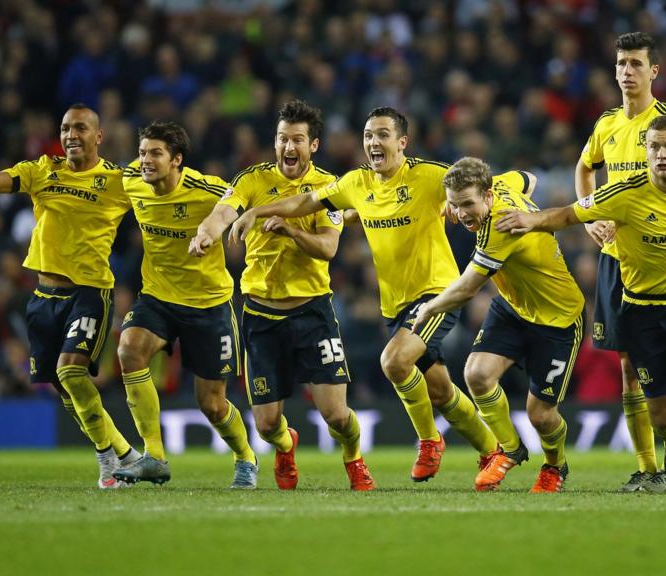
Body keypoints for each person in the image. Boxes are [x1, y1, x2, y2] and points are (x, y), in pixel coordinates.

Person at [229, 107, 497, 481]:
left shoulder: (431, 176)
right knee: (440, 391)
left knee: (394, 362)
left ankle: (429, 441)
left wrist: (489, 203)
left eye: (383, 134)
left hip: (437, 293)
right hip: (395, 303)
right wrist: (255, 213)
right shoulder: (356, 184)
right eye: (369, 134)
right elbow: (306, 202)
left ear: (402, 142)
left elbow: (485, 185)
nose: (373, 141)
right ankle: (491, 450)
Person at [496, 115, 666, 494]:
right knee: (663, 415)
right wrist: (530, 219)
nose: (661, 154)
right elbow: (570, 214)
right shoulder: (622, 192)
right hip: (643, 309)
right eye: (654, 147)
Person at [0, 104, 139, 488]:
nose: (71, 135)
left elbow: (164, 196)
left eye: (80, 128)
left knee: (70, 370)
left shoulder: (119, 180)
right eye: (65, 128)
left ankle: (112, 459)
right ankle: (124, 454)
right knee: (65, 389)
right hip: (44, 297)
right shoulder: (41, 170)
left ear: (99, 137)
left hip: (90, 291)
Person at [189, 100, 375, 491]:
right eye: (282, 139)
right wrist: (207, 232)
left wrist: (290, 229)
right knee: (267, 424)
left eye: (297, 141)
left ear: (314, 145)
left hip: (312, 312)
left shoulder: (329, 187)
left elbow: (328, 248)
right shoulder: (252, 180)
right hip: (260, 316)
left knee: (337, 415)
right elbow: (225, 211)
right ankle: (287, 446)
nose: (289, 148)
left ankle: (354, 458)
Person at [411, 158, 584, 492]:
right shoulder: (502, 184)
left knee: (541, 415)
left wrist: (428, 308)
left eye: (468, 204)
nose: (461, 214)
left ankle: (554, 466)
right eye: (455, 205)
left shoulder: (501, 227)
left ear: (488, 197)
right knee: (476, 374)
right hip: (514, 307)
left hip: (558, 319)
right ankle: (510, 448)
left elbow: (466, 289)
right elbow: (529, 177)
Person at [576, 31, 666, 492]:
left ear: (654, 71)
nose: (627, 71)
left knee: (662, 367)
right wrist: (589, 216)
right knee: (627, 365)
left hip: (661, 262)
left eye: (636, 64)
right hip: (615, 260)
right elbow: (585, 165)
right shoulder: (607, 124)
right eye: (621, 63)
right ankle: (648, 469)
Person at [111, 121, 258, 489]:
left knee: (211, 403)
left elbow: (243, 202)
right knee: (129, 350)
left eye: (155, 153)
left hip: (208, 305)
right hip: (158, 297)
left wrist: (215, 230)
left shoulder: (206, 189)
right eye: (143, 152)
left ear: (177, 159)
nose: (145, 160)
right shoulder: (131, 180)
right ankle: (155, 457)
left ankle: (245, 457)